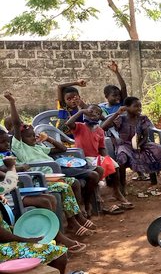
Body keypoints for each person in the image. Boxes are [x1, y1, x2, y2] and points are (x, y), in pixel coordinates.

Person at [6, 92, 101, 221]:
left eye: (34, 135)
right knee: (75, 182)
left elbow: (62, 149)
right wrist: (12, 102)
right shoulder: (20, 147)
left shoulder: (38, 147)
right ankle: (77, 216)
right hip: (44, 176)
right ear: (20, 138)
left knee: (82, 179)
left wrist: (48, 138)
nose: (34, 138)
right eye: (30, 136)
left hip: (57, 172)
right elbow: (17, 124)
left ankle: (80, 210)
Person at [61, 104, 131, 211]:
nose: (94, 114)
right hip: (83, 158)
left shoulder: (99, 130)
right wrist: (81, 112)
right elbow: (68, 123)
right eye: (91, 111)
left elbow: (102, 147)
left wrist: (106, 158)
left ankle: (116, 191)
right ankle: (96, 194)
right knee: (97, 170)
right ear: (86, 112)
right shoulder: (79, 126)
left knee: (115, 166)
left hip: (96, 156)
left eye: (98, 113)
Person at [101, 97, 161, 188]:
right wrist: (117, 113)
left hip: (142, 144)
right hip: (125, 145)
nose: (139, 109)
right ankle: (122, 185)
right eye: (136, 106)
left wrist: (139, 145)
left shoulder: (143, 118)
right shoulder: (121, 119)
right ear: (126, 107)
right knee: (122, 156)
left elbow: (145, 135)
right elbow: (103, 127)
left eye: (140, 106)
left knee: (158, 149)